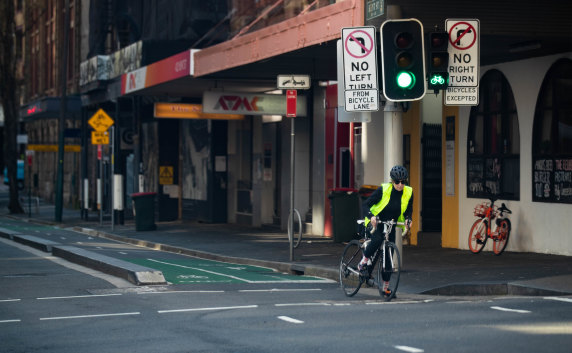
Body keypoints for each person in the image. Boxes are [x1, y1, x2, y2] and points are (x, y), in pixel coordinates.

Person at [359, 165, 413, 296]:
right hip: (377, 221)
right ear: (392, 181)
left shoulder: (409, 191)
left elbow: (408, 209)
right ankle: (363, 262)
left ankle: (385, 288)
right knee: (377, 239)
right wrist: (371, 216)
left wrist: (408, 219)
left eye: (403, 182)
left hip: (391, 224)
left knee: (388, 255)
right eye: (397, 182)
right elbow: (366, 204)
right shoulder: (384, 189)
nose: (400, 185)